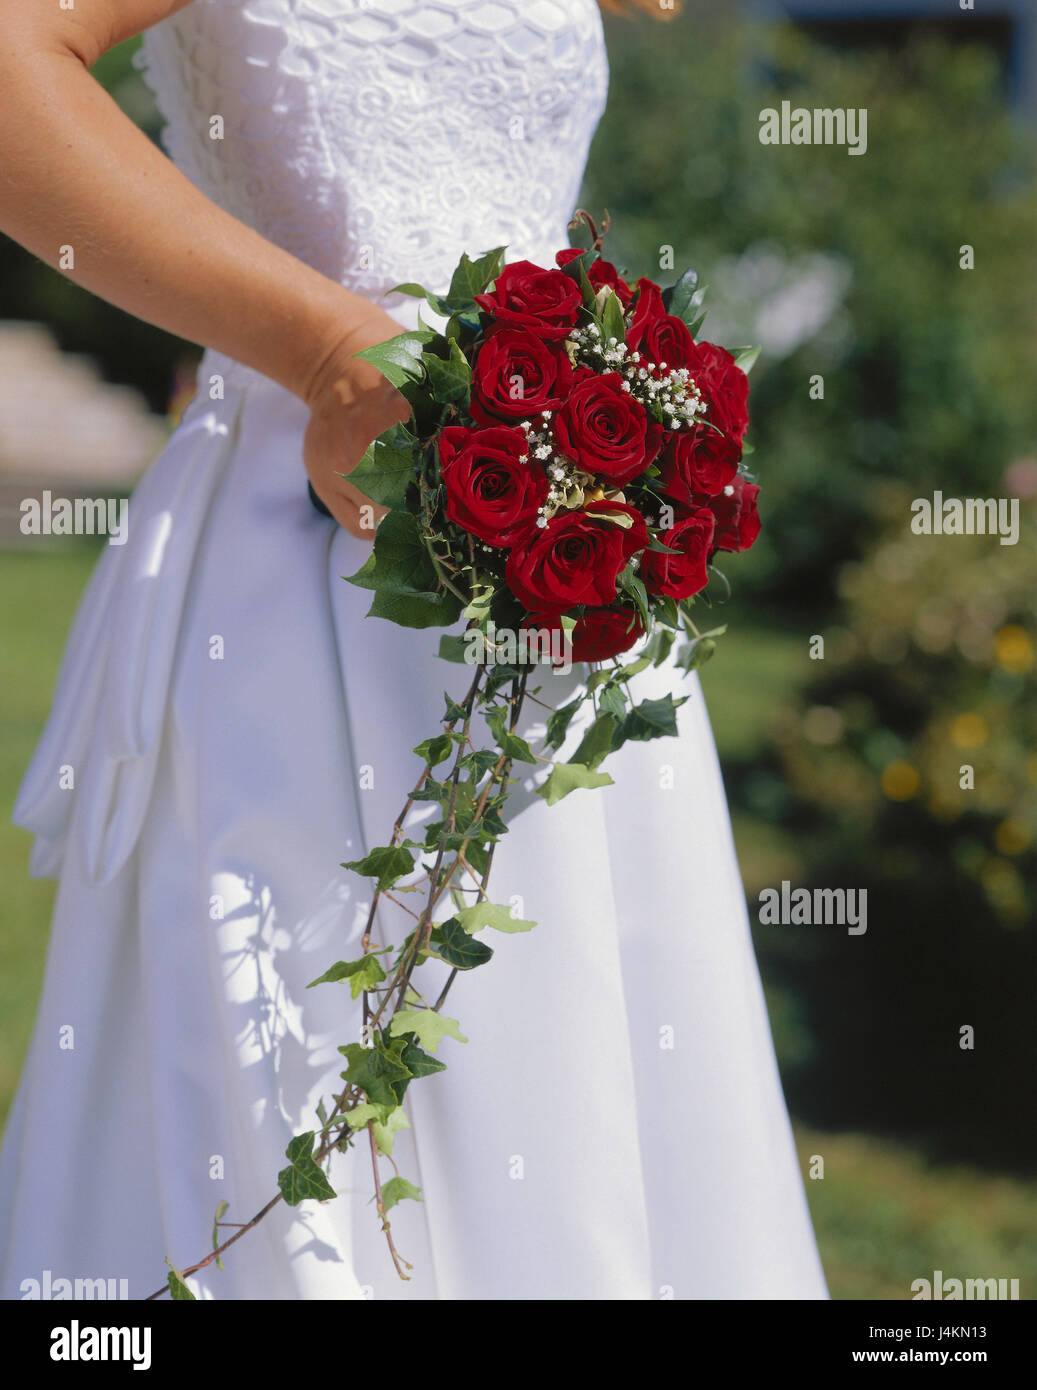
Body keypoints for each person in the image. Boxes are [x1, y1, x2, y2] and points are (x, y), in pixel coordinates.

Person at [0, 0, 828, 1300]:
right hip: (320, 556)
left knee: (569, 1065)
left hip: (560, 568)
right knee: (318, 1056)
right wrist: (328, 351)